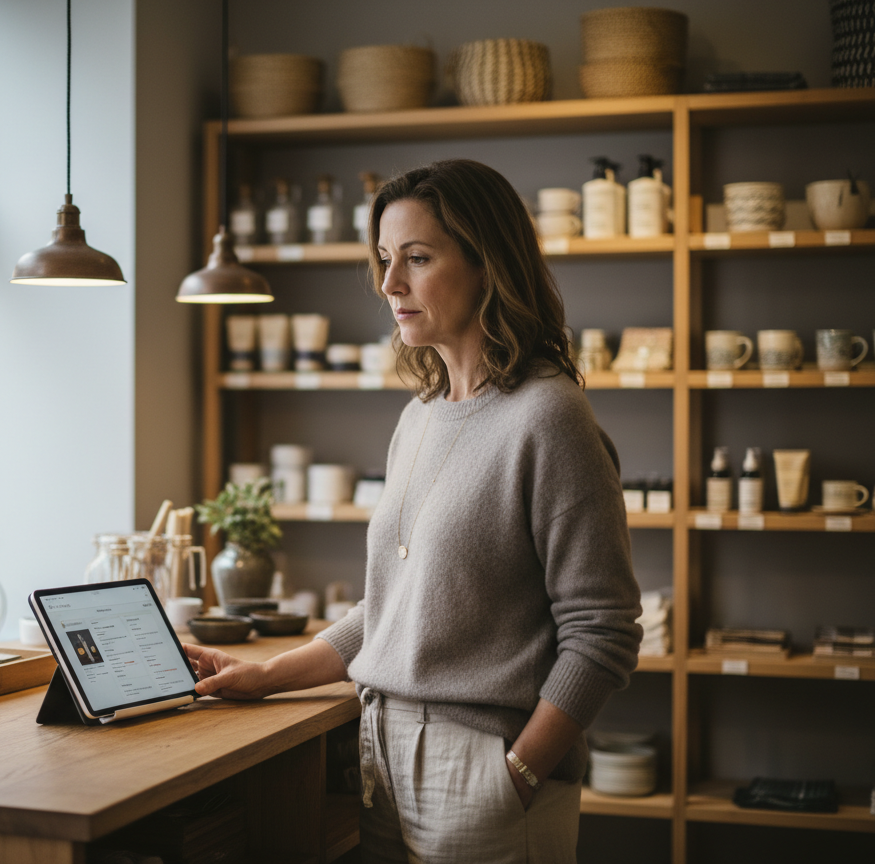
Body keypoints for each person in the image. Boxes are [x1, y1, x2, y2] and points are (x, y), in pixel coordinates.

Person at [183, 159, 642, 864]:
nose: (390, 284)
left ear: (489, 265)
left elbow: (602, 630)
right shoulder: (420, 416)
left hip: (482, 768)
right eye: (385, 259)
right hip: (380, 758)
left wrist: (517, 773)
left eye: (418, 259)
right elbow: (394, 606)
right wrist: (266, 674)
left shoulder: (549, 417)